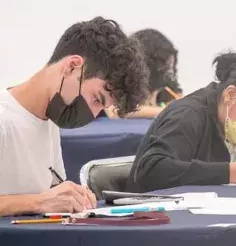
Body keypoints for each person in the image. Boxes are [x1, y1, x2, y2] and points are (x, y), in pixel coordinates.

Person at [0, 16, 149, 215]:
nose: (94, 114)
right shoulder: (5, 119)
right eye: (97, 99)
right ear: (72, 67)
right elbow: (39, 201)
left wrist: (68, 195)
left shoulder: (48, 120)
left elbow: (49, 192)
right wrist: (36, 202)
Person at [127, 52, 236, 193]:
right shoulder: (188, 114)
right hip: (153, 210)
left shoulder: (234, 124)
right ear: (230, 95)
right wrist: (228, 172)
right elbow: (151, 170)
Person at [105, 28, 181, 118]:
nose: (168, 71)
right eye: (164, 65)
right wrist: (165, 111)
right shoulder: (120, 82)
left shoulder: (166, 88)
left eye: (170, 66)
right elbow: (114, 112)